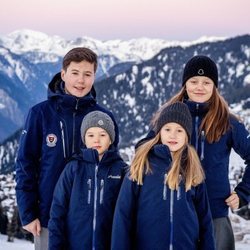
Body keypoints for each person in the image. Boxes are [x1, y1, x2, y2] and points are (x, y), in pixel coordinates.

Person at [15, 47, 119, 250]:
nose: (81, 80)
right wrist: (28, 213)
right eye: (75, 73)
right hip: (47, 215)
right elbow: (25, 163)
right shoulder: (40, 114)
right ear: (63, 74)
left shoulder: (104, 118)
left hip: (91, 220)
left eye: (87, 74)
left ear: (94, 77)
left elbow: (111, 164)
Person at [150, 55, 250, 250]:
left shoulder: (228, 122)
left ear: (215, 86)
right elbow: (145, 148)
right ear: (185, 85)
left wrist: (244, 193)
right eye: (193, 81)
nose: (199, 87)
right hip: (175, 210)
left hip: (215, 214)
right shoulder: (170, 117)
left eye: (206, 82)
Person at [112, 102, 215, 250]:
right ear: (159, 132)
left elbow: (205, 221)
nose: (173, 135)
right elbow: (123, 215)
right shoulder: (142, 165)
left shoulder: (193, 169)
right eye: (167, 129)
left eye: (179, 130)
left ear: (187, 136)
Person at [48, 111, 127, 250]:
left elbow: (128, 213)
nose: (96, 140)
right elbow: (57, 211)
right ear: (84, 139)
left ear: (111, 139)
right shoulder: (73, 169)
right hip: (75, 245)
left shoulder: (121, 170)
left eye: (102, 135)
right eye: (91, 135)